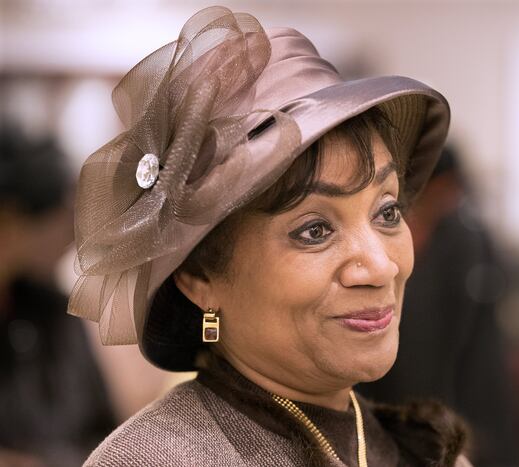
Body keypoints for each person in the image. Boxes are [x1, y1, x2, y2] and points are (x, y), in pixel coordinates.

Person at [69, 6, 471, 466]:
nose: (381, 266)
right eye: (315, 230)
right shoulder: (157, 459)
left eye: (387, 211)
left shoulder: (426, 454)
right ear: (199, 276)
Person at [359, 147, 519, 466]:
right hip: (396, 407)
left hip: (463, 404)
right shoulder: (391, 241)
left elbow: (476, 347)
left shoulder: (467, 241)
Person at [0, 125, 116, 467]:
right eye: (63, 220)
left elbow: (105, 429)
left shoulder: (50, 311)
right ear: (10, 222)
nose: (71, 239)